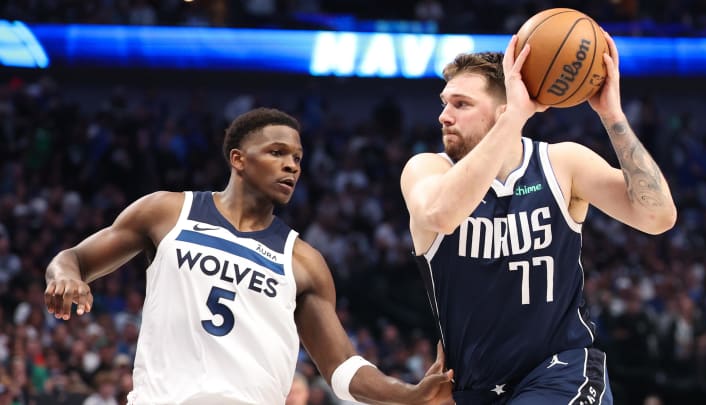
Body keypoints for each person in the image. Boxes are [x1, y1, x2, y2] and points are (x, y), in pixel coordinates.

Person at [45, 107, 454, 404]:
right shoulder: (168, 211)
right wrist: (65, 275)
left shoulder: (303, 260)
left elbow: (342, 368)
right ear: (238, 160)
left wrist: (410, 394)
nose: (291, 166)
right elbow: (73, 257)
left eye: (297, 158)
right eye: (277, 153)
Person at [399, 32, 676, 404]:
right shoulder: (426, 170)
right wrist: (514, 118)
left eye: (461, 104)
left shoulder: (562, 163)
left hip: (564, 369)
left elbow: (658, 217)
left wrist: (612, 116)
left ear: (504, 109)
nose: (444, 116)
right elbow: (442, 215)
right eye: (445, 102)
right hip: (478, 386)